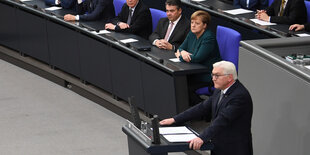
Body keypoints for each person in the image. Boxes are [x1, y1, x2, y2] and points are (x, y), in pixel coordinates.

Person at [160, 61, 253, 155]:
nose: (213, 79)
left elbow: (222, 120)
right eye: (212, 75)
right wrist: (175, 119)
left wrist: (202, 137)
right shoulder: (219, 90)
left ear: (229, 77)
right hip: (219, 145)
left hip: (234, 149)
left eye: (217, 75)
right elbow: (202, 107)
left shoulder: (239, 96)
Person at [175, 10, 221, 105]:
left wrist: (181, 55)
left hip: (207, 74)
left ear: (204, 25)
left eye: (197, 23)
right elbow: (180, 48)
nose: (193, 25)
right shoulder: (192, 33)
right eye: (192, 22)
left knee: (183, 88)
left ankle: (205, 111)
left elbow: (197, 58)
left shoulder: (209, 38)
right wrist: (183, 52)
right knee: (176, 83)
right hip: (194, 71)